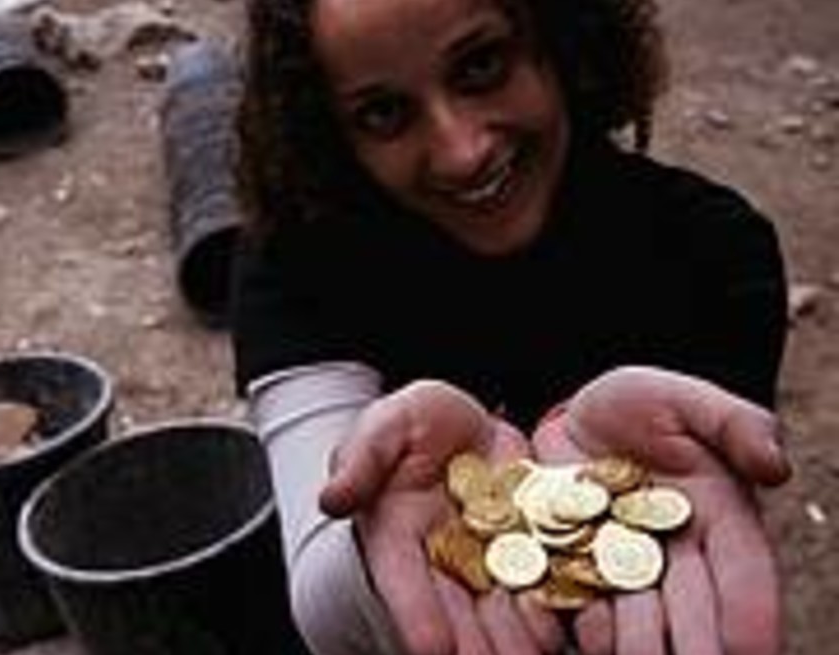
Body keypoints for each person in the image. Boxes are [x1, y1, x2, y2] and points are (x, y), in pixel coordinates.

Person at [229, 0, 793, 652]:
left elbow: (708, 554)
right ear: (328, 128)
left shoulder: (715, 253)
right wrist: (368, 534)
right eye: (383, 113)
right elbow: (323, 604)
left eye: (481, 66)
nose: (461, 151)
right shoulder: (294, 263)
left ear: (559, 39)